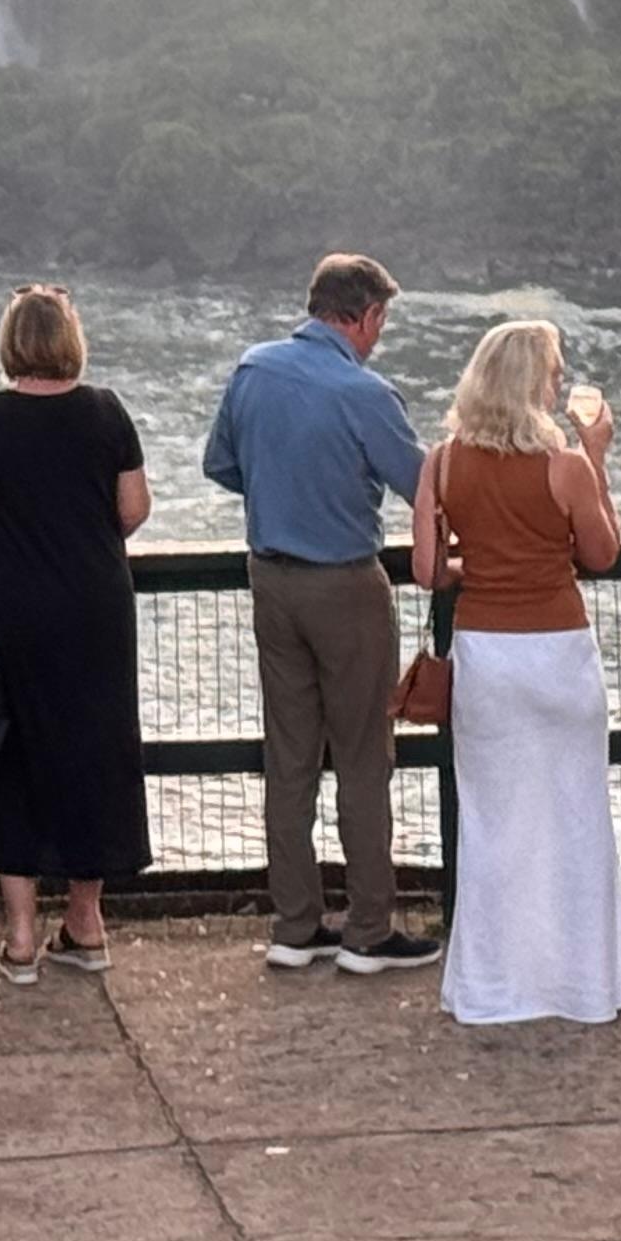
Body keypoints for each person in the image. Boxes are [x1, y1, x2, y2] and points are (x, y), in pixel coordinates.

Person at [202, 250, 440, 974]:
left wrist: (282, 488)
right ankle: (368, 927)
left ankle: (295, 923)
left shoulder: (253, 370)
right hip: (345, 583)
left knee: (290, 758)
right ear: (365, 316)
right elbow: (423, 488)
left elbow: (220, 464)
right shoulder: (366, 394)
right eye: (381, 322)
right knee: (363, 756)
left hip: (271, 580)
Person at [416, 318, 621, 1027]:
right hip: (559, 653)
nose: (559, 382)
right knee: (576, 818)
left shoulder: (442, 463)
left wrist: (481, 563)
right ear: (532, 384)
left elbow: (427, 569)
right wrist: (596, 455)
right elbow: (601, 554)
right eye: (553, 371)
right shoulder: (566, 467)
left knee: (492, 823)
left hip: (487, 653)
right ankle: (584, 985)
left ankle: (491, 987)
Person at [0, 285, 153, 981]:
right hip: (96, 608)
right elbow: (134, 507)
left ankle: (22, 938)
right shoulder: (106, 411)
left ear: (10, 344)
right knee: (94, 752)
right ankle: (85, 922)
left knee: (11, 758)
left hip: (12, 611)